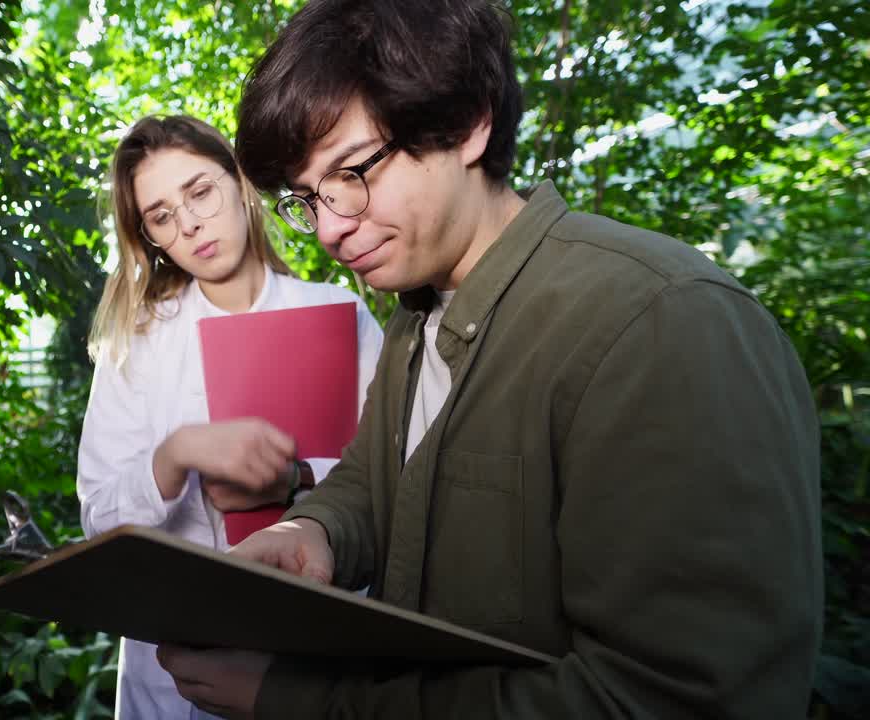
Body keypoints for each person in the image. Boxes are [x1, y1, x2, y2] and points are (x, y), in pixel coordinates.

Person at [155, 1, 824, 718]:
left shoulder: (660, 323)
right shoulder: (416, 317)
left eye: (352, 172)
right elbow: (383, 482)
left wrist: (298, 699)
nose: (328, 228)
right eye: (307, 199)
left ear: (468, 122)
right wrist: (312, 531)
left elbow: (674, 699)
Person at [76, 114, 384, 720]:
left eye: (199, 192)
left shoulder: (339, 314)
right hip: (170, 678)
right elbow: (98, 524)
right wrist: (172, 456)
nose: (189, 223)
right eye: (161, 216)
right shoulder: (136, 345)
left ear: (239, 181)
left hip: (310, 658)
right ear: (150, 237)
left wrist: (294, 480)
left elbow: (394, 481)